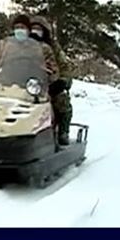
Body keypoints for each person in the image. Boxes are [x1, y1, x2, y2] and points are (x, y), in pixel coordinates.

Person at [29, 16, 74, 145]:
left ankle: (63, 132)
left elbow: (65, 66)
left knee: (62, 101)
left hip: (49, 83)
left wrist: (63, 81)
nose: (35, 31)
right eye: (32, 28)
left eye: (38, 29)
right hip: (23, 83)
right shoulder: (21, 45)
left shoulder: (52, 47)